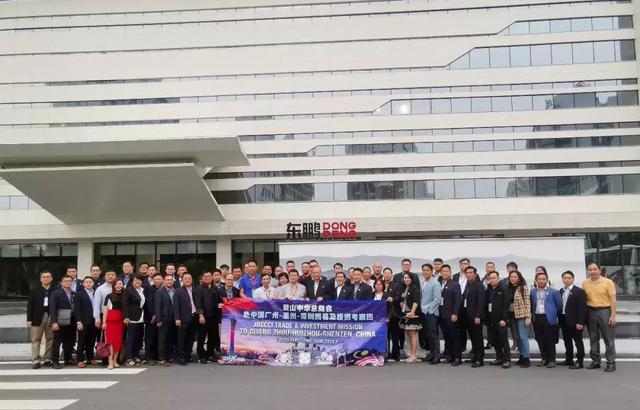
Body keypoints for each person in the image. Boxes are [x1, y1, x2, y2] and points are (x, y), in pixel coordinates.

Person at [583, 262, 617, 372]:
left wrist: (613, 315)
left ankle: (611, 363)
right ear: (587, 271)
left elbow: (613, 299)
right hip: (590, 311)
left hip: (605, 311)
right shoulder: (585, 283)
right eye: (590, 270)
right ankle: (596, 361)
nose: (592, 271)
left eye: (595, 269)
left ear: (599, 270)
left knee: (608, 338)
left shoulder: (608, 282)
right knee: (593, 337)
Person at [531, 270, 562, 368]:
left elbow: (559, 305)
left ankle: (552, 360)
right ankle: (544, 359)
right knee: (540, 339)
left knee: (550, 339)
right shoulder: (533, 292)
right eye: (539, 279)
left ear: (547, 280)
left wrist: (553, 314)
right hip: (537, 317)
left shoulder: (553, 291)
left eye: (544, 279)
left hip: (548, 318)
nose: (541, 281)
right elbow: (531, 304)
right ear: (536, 280)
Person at [26, 270, 55, 369]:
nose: (46, 278)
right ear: (40, 279)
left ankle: (48, 359)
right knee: (35, 339)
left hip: (51, 317)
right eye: (44, 277)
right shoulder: (35, 290)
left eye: (48, 277)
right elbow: (30, 305)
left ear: (51, 278)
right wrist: (29, 319)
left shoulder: (55, 289)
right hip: (37, 317)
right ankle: (35, 360)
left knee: (50, 339)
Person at [559, 270, 588, 369]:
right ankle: (569, 359)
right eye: (565, 278)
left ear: (573, 279)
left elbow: (583, 308)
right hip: (564, 320)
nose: (567, 280)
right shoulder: (561, 291)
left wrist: (580, 322)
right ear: (562, 279)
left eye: (569, 278)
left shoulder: (579, 291)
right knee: (567, 341)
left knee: (578, 341)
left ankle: (580, 361)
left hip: (575, 321)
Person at [49, 275, 76, 370]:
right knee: (57, 341)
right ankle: (55, 361)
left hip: (71, 321)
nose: (68, 282)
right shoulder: (56, 293)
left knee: (69, 341)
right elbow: (52, 308)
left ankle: (68, 358)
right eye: (65, 281)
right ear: (61, 283)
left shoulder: (73, 293)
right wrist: (54, 322)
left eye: (70, 281)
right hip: (59, 321)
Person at [485, 272, 511, 369]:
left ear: (498, 278)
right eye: (490, 278)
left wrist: (504, 319)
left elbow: (506, 306)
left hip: (501, 320)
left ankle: (507, 360)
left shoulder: (503, 289)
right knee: (495, 340)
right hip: (491, 320)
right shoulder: (488, 290)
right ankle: (499, 358)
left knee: (503, 341)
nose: (492, 280)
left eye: (494, 278)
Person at [195, 271, 221, 363]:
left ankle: (210, 354)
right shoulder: (199, 289)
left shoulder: (215, 288)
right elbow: (198, 303)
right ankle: (201, 355)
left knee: (212, 337)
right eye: (205, 276)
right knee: (201, 337)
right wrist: (200, 315)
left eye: (209, 276)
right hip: (203, 317)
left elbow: (217, 301)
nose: (207, 278)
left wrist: (219, 304)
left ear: (212, 277)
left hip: (213, 317)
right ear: (202, 278)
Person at [507, 270, 532, 367]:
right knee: (517, 337)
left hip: (521, 315)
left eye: (515, 277)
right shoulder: (508, 287)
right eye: (511, 277)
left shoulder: (523, 288)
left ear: (519, 278)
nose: (513, 278)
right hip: (511, 315)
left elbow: (527, 302)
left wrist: (527, 316)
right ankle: (521, 356)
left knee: (523, 337)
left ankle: (526, 358)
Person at [462, 266, 485, 367]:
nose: (469, 274)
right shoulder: (468, 285)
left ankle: (480, 359)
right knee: (472, 338)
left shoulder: (479, 285)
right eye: (467, 273)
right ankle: (475, 357)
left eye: (471, 272)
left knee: (478, 338)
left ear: (475, 274)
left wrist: (478, 316)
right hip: (468, 316)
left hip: (476, 317)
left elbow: (481, 302)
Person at [439, 264, 461, 365]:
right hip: (441, 314)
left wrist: (455, 313)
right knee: (446, 336)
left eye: (447, 271)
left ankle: (457, 357)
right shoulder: (439, 283)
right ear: (440, 273)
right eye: (443, 271)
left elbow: (457, 301)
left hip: (451, 314)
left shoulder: (455, 284)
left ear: (450, 272)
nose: (445, 273)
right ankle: (450, 356)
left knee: (454, 336)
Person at [174, 273, 198, 365]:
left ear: (192, 280)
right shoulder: (178, 291)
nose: (187, 280)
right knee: (181, 339)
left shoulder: (195, 290)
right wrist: (177, 318)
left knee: (190, 338)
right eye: (185, 279)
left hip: (194, 317)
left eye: (189, 278)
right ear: (182, 280)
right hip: (182, 318)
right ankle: (181, 357)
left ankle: (188, 355)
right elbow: (176, 306)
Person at [420, 263, 441, 364]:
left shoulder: (435, 283)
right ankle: (431, 354)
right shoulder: (423, 282)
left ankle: (437, 356)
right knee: (428, 334)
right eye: (424, 270)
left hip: (431, 313)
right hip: (423, 312)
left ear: (431, 271)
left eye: (427, 270)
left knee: (433, 334)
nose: (425, 272)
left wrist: (429, 310)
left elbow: (437, 299)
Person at [123, 275, 145, 366]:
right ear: (132, 281)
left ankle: (135, 355)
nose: (138, 282)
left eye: (139, 280)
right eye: (135, 280)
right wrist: (126, 317)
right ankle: (129, 358)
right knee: (130, 339)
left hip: (141, 317)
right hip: (132, 318)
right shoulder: (128, 290)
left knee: (138, 338)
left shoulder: (142, 290)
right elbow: (124, 304)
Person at [102, 279, 125, 370]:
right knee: (110, 342)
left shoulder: (125, 295)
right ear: (114, 286)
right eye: (117, 284)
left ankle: (115, 360)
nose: (119, 285)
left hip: (121, 321)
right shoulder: (109, 296)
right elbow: (106, 310)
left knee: (118, 341)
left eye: (120, 284)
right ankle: (110, 361)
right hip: (110, 320)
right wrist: (104, 322)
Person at [75, 276, 97, 368]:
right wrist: (78, 322)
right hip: (83, 321)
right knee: (81, 341)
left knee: (91, 341)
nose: (88, 283)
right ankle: (79, 360)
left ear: (93, 283)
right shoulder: (79, 294)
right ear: (83, 284)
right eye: (86, 282)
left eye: (90, 282)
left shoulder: (96, 293)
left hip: (94, 321)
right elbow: (77, 309)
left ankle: (90, 358)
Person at [399, 272, 421, 363]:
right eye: (405, 278)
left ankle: (413, 355)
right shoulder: (404, 287)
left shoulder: (415, 288)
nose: (406, 279)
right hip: (405, 313)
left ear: (412, 279)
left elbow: (416, 301)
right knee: (408, 333)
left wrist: (412, 312)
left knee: (412, 334)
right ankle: (411, 354)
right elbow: (403, 299)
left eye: (408, 278)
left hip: (413, 314)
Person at [155, 274, 177, 366]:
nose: (169, 281)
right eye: (167, 280)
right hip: (163, 319)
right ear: (164, 281)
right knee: (162, 340)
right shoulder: (160, 291)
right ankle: (162, 358)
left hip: (173, 319)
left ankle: (169, 356)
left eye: (171, 280)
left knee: (170, 339)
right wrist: (158, 319)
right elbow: (157, 306)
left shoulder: (175, 290)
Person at [144, 272, 163, 364]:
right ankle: (149, 356)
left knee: (159, 338)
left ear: (162, 280)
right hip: (151, 318)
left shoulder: (164, 289)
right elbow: (149, 303)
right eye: (155, 279)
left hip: (162, 317)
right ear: (153, 280)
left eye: (159, 279)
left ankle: (157, 355)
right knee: (150, 337)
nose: (157, 281)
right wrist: (154, 315)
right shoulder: (149, 289)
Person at [452, 258, 470, 355]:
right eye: (462, 263)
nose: (464, 265)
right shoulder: (455, 276)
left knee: (467, 325)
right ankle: (460, 345)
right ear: (459, 265)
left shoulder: (472, 275)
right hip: (457, 303)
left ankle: (466, 345)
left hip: (468, 303)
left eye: (465, 263)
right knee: (458, 326)